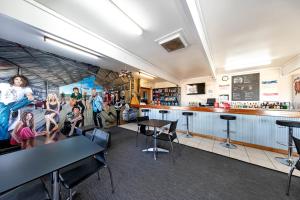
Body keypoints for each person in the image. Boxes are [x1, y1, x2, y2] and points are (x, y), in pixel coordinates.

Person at [0, 75, 34, 140]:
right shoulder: (4, 85)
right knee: (2, 122)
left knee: (30, 98)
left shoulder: (25, 88)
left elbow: (29, 95)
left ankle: (13, 109)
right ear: (13, 80)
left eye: (21, 80)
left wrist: (29, 96)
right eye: (17, 79)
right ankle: (3, 138)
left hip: (15, 104)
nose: (18, 81)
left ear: (23, 81)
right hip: (3, 104)